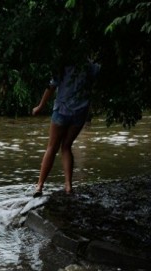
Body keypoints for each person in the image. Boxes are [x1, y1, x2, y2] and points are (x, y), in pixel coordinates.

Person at [32, 61, 100, 196]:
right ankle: (68, 185)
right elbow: (95, 86)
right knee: (66, 146)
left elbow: (50, 87)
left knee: (52, 147)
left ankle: (39, 186)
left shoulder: (63, 66)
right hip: (80, 112)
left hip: (62, 111)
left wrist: (40, 107)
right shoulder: (92, 67)